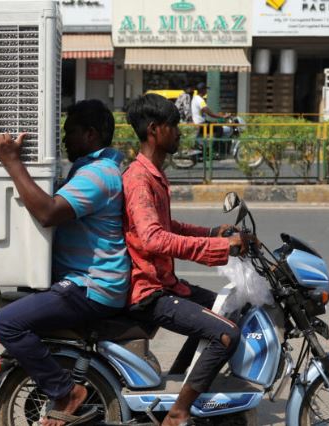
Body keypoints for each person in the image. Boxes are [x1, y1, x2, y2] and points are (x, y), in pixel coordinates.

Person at [0, 99, 130, 426]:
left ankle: (66, 392)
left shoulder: (98, 174)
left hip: (91, 286)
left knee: (7, 323)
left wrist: (11, 161)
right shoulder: (88, 170)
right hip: (83, 281)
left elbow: (48, 212)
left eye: (71, 133)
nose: (65, 140)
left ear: (91, 134)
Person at [123, 93, 252, 426]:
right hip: (149, 292)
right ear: (154, 130)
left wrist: (212, 232)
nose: (180, 133)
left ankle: (181, 384)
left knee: (224, 309)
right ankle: (178, 412)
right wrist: (223, 249)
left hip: (166, 283)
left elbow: (168, 227)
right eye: (174, 127)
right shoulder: (138, 180)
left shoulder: (153, 175)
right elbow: (154, 238)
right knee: (226, 334)